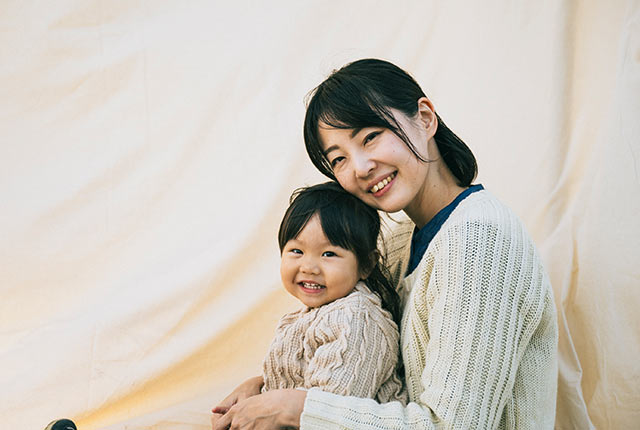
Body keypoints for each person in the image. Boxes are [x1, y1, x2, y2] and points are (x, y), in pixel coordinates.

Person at [211, 58, 558, 429]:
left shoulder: (480, 240)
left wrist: (296, 409)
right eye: (339, 159)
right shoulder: (397, 243)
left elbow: (453, 425)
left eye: (370, 136)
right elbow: (366, 369)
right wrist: (265, 389)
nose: (360, 168)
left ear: (425, 118)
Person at [214, 182, 406, 423]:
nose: (308, 267)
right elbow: (291, 385)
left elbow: (326, 413)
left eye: (329, 254)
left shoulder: (357, 319)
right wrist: (252, 394)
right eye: (296, 251)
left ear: (366, 265)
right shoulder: (306, 316)